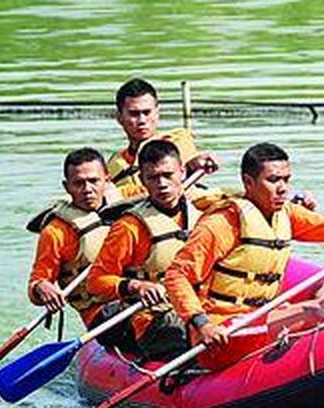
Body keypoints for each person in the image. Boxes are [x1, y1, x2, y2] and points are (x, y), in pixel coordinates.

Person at [164, 142, 324, 370]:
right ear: (248, 182)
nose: (283, 188)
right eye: (273, 180)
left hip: (261, 318)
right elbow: (177, 275)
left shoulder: (285, 213)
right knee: (319, 313)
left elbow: (321, 225)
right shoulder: (222, 223)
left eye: (286, 179)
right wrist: (202, 324)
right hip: (224, 331)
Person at [86, 138, 200, 361]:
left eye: (168, 175)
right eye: (153, 178)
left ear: (183, 173)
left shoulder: (202, 215)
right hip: (154, 317)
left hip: (199, 306)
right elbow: (95, 281)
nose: (162, 184)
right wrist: (135, 286)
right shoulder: (129, 227)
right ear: (142, 181)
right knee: (181, 332)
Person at [25, 148, 115, 328]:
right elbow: (38, 280)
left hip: (141, 300)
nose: (87, 189)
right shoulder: (56, 231)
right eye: (79, 183)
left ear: (107, 180)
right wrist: (41, 288)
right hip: (100, 314)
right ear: (67, 187)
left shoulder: (129, 214)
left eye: (94, 181)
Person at [108, 78, 217, 200]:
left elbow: (190, 164)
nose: (142, 120)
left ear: (157, 113)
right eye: (134, 114)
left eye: (147, 112)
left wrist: (192, 165)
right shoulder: (115, 164)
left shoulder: (177, 141)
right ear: (119, 117)